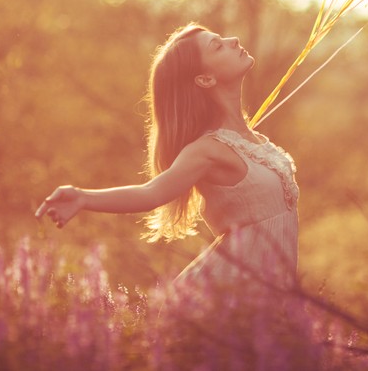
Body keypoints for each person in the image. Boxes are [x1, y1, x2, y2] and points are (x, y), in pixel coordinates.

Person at [34, 23, 300, 295]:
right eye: (218, 46)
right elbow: (151, 193)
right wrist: (83, 198)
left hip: (273, 294)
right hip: (227, 297)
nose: (233, 40)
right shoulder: (207, 150)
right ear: (205, 79)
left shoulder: (252, 140)